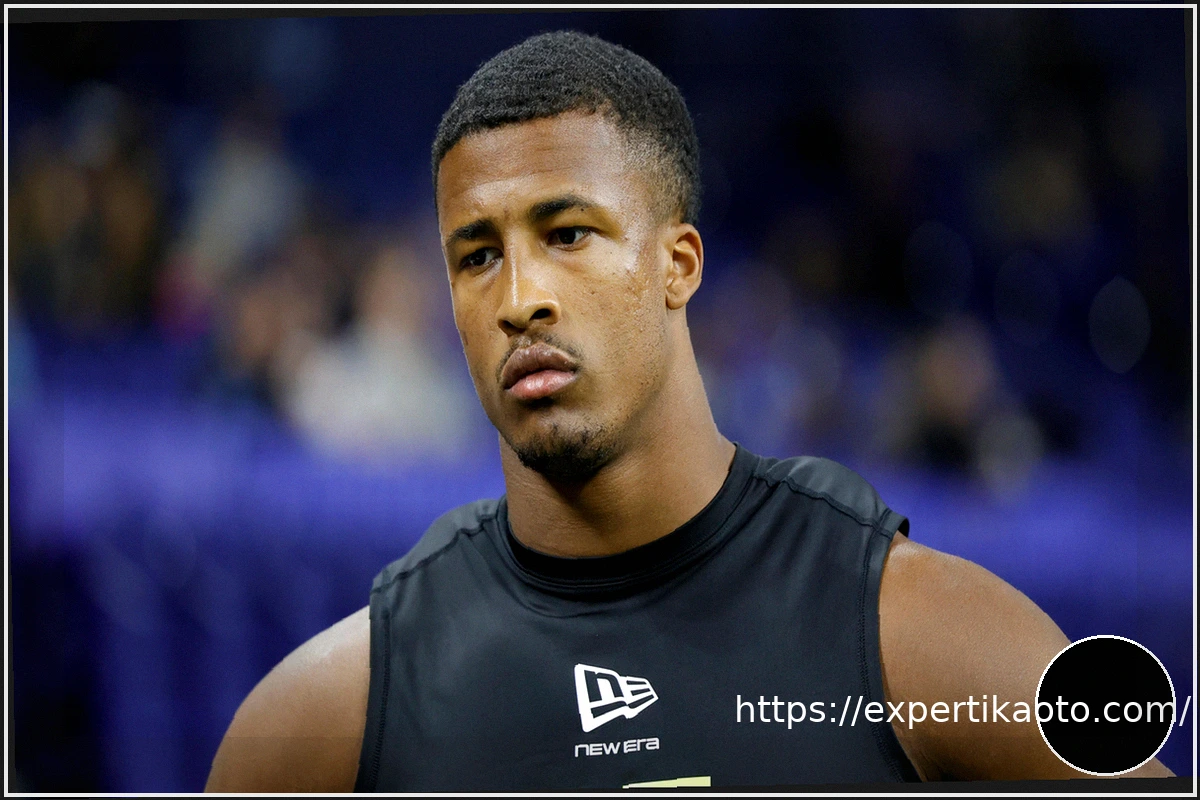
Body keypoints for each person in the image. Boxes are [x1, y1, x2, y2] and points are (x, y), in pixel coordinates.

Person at [205, 32, 1173, 791]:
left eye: (567, 232)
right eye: (477, 255)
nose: (519, 299)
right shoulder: (324, 718)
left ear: (678, 265)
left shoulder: (922, 635)